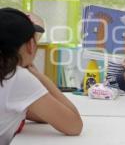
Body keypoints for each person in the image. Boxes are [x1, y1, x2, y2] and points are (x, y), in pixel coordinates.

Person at [0, 8, 83, 144]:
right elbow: (74, 125)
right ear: (31, 45)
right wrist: (38, 76)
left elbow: (44, 114)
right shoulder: (17, 77)